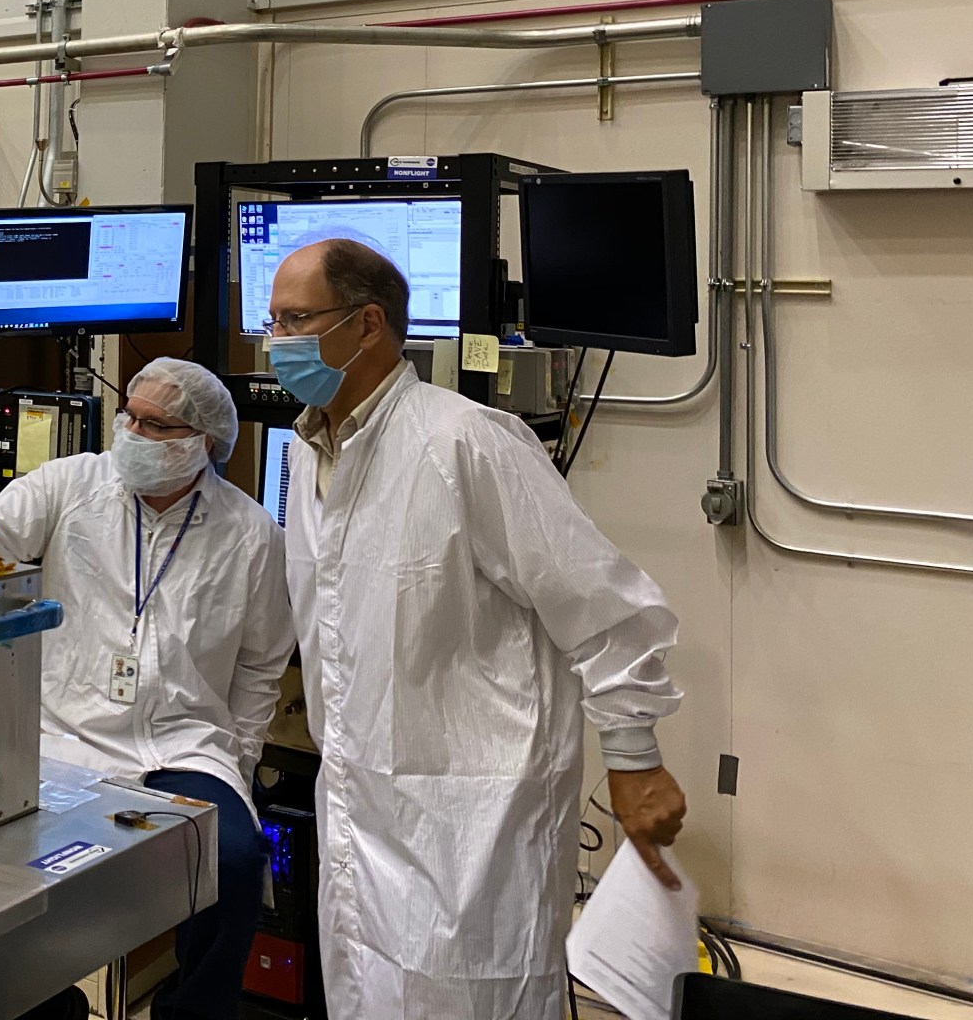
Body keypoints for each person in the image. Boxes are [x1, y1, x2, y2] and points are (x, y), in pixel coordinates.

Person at [267, 238, 687, 1020]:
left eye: (295, 320)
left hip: (471, 827)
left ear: (367, 326)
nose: (275, 342)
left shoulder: (463, 443)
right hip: (361, 813)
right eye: (272, 321)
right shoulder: (309, 451)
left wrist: (635, 761)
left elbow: (604, 611)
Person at [0, 358, 292, 1020]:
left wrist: (237, 755)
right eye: (130, 416)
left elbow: (264, 662)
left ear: (201, 441)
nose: (131, 431)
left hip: (184, 747)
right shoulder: (73, 484)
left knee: (236, 859)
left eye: (155, 424)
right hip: (63, 735)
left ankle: (193, 1012)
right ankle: (41, 1005)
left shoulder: (252, 533)